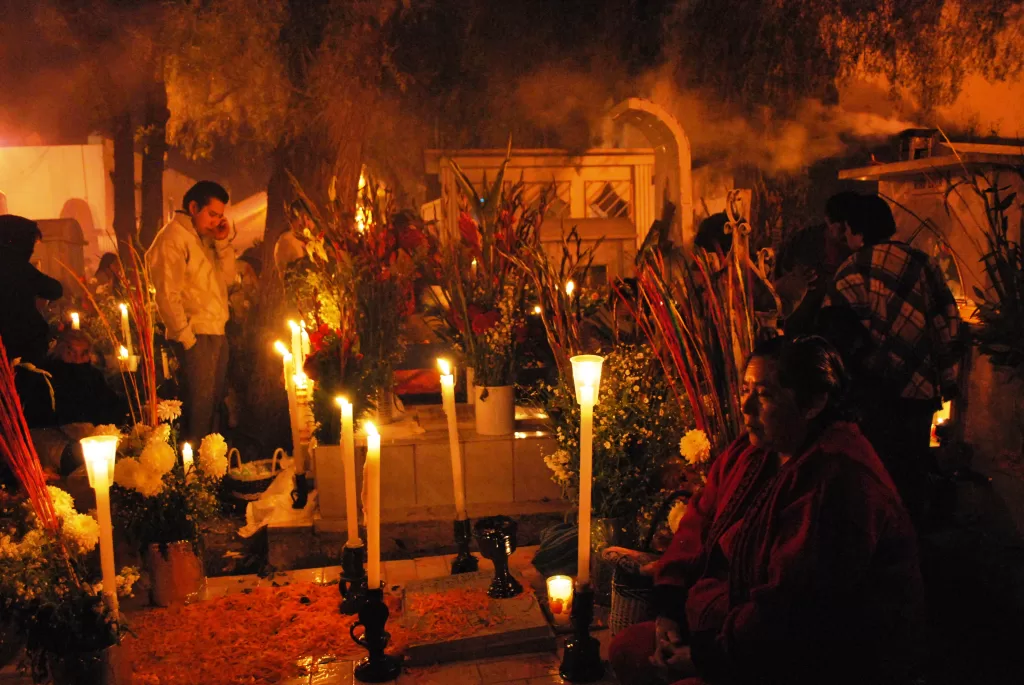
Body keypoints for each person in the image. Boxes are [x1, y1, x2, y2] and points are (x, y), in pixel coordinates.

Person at [609, 336, 924, 685]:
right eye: (745, 389)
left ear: (814, 403)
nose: (745, 407)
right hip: (723, 623)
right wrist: (668, 608)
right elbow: (698, 523)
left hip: (801, 655)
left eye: (765, 394)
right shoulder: (753, 452)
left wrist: (706, 657)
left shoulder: (837, 479)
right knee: (627, 650)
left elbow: (794, 605)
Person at [820, 194, 961, 526]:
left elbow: (834, 335)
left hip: (874, 398)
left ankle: (878, 547)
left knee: (874, 476)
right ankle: (910, 547)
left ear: (850, 227)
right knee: (911, 475)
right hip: (919, 392)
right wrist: (947, 377)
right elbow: (948, 321)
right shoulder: (922, 262)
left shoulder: (853, 268)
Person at [146, 181, 235, 444]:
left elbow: (229, 279)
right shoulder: (172, 239)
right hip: (196, 335)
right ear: (193, 207)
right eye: (212, 214)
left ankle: (212, 470)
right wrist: (187, 339)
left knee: (214, 407)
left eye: (220, 216)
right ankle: (193, 475)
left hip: (217, 331)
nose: (216, 222)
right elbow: (166, 294)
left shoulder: (206, 239)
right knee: (198, 411)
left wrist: (222, 243)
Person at [774, 191, 857, 336]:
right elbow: (779, 281)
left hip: (835, 331)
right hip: (800, 328)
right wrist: (794, 280)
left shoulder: (855, 250)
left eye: (849, 228)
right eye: (841, 228)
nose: (846, 234)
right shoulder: (804, 242)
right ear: (828, 220)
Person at [0, 215, 64, 364]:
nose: (33, 249)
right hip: (20, 342)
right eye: (32, 242)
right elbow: (54, 289)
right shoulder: (15, 263)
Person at [44, 330, 125, 427]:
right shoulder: (48, 377)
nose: (78, 360)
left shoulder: (94, 376)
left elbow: (110, 405)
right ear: (60, 351)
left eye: (83, 354)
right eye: (71, 353)